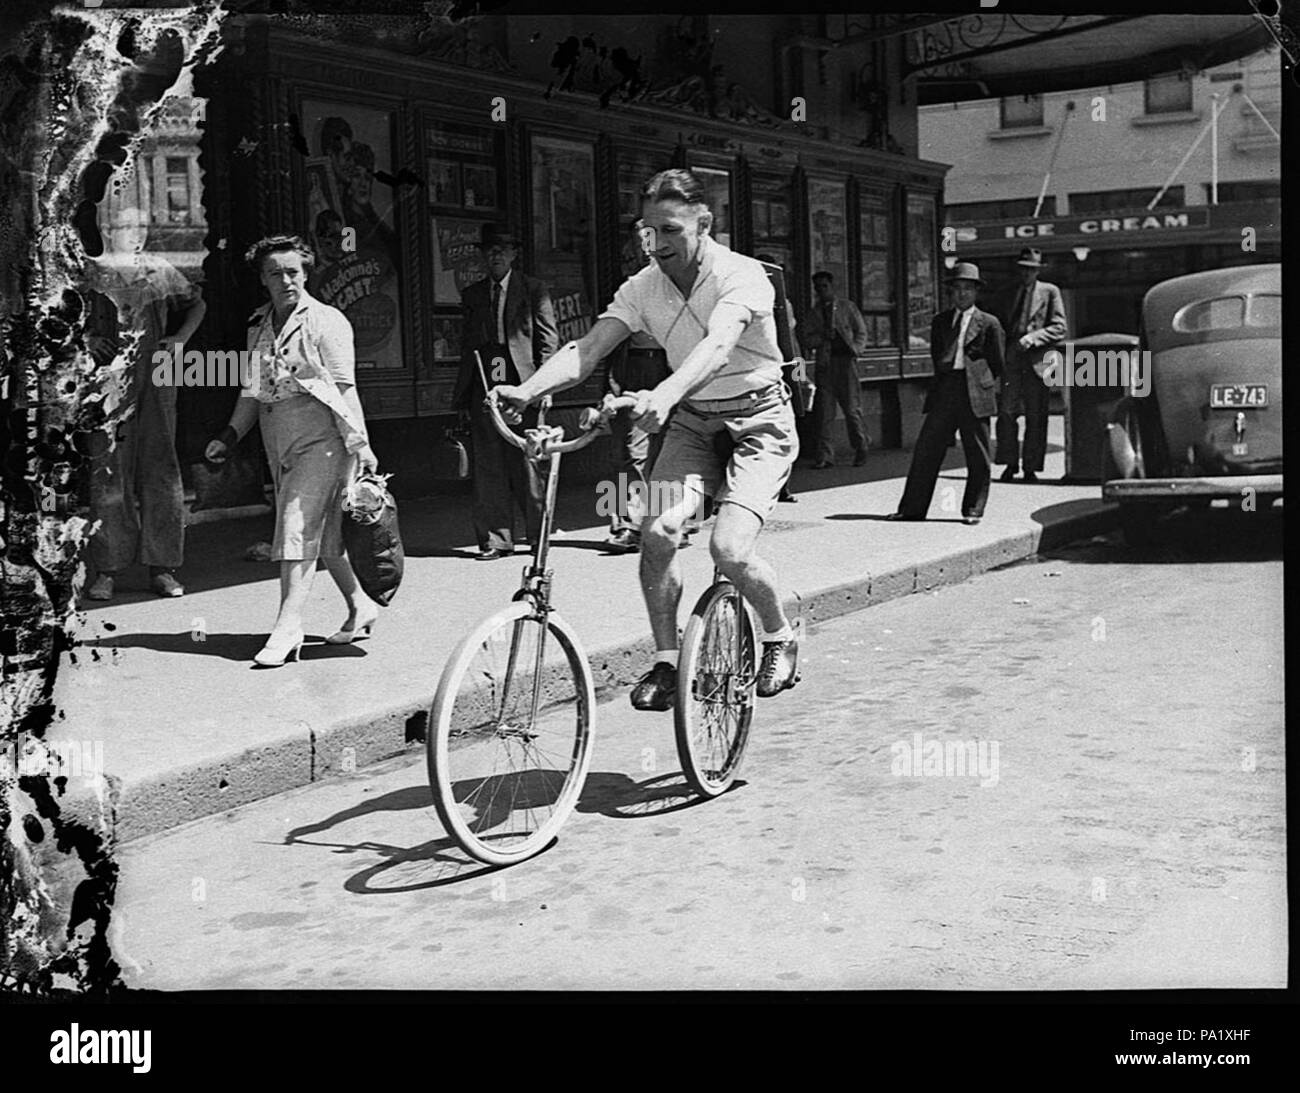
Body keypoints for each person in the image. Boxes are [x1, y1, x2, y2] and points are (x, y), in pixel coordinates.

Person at [491, 168, 801, 708]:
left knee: (728, 549)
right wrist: (527, 389)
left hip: (759, 422)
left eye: (672, 230)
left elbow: (718, 347)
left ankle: (779, 635)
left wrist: (663, 392)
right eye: (649, 231)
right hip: (692, 424)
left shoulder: (741, 275)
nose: (659, 244)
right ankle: (667, 660)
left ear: (704, 224)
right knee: (656, 532)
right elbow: (588, 349)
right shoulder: (642, 287)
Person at [204, 235, 379, 666]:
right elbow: (253, 390)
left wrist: (362, 445)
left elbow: (344, 390)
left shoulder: (327, 321)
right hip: (278, 441)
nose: (286, 280)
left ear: (306, 273)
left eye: (293, 272)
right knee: (325, 536)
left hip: (324, 440)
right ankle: (361, 605)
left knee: (296, 526)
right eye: (275, 273)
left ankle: (288, 627)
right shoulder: (259, 324)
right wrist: (228, 435)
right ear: (262, 279)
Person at [84, 205, 206, 600]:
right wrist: (86, 342)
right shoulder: (90, 272)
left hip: (158, 374)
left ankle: (163, 567)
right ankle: (107, 570)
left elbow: (197, 305)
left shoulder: (158, 269)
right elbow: (64, 319)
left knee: (161, 468)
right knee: (109, 471)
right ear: (107, 230)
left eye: (138, 226)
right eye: (122, 226)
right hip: (109, 381)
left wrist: (181, 339)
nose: (131, 232)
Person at [451, 224, 559, 560]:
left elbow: (548, 340)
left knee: (527, 462)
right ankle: (495, 540)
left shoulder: (533, 289)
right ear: (484, 256)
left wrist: (544, 386)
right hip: (486, 385)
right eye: (490, 251)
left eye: (503, 250)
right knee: (488, 464)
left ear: (514, 254)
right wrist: (465, 396)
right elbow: (469, 347)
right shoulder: (472, 294)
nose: (496, 256)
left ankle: (538, 537)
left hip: (524, 384)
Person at [888, 262, 1004, 526]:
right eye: (957, 288)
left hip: (974, 392)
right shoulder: (940, 322)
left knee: (978, 454)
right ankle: (912, 509)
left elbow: (997, 363)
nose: (962, 294)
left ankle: (973, 509)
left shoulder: (989, 323)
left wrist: (982, 385)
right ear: (951, 292)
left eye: (968, 289)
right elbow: (937, 356)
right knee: (926, 451)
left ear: (976, 292)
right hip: (945, 390)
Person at [604, 219, 672, 553]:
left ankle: (673, 522)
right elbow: (608, 339)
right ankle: (625, 524)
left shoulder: (675, 282)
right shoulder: (628, 286)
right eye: (637, 240)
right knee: (626, 450)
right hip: (631, 368)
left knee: (670, 450)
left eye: (649, 238)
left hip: (667, 368)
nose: (643, 246)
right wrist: (610, 384)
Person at [995, 247, 1067, 483]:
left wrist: (1034, 338)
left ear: (1038, 271)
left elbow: (1059, 327)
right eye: (1023, 269)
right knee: (1006, 413)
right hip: (1013, 361)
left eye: (1031, 270)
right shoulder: (1008, 292)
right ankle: (1009, 463)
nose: (1026, 274)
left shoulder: (1050, 292)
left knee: (1036, 417)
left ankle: (1030, 468)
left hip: (1037, 361)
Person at [802, 270, 870, 469]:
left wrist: (856, 350)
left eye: (824, 287)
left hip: (846, 363)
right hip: (826, 364)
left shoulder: (847, 308)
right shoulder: (814, 313)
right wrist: (822, 337)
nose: (821, 291)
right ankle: (825, 455)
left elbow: (861, 332)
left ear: (832, 287)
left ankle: (861, 445)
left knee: (851, 409)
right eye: (818, 288)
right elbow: (806, 338)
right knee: (825, 412)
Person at [756, 254, 807, 503]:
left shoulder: (784, 303)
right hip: (764, 372)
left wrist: (801, 379)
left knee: (784, 429)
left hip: (784, 370)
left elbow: (792, 343)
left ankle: (782, 486)